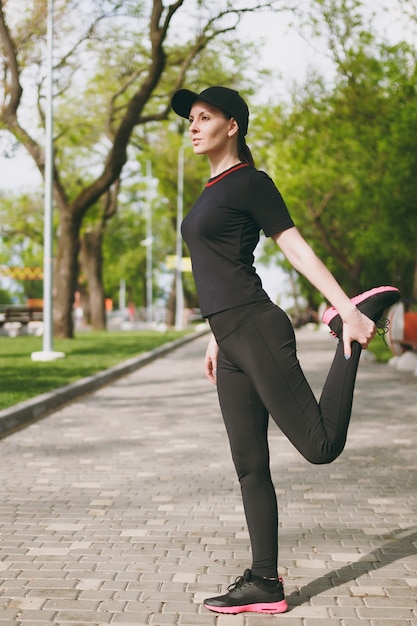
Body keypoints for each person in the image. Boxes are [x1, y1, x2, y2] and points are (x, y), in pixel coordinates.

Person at [170, 85, 401, 615]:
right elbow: (224, 265)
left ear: (233, 125)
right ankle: (264, 582)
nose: (194, 125)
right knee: (250, 464)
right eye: (191, 119)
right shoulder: (210, 190)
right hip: (230, 337)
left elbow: (293, 246)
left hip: (255, 327)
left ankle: (350, 335)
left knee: (320, 447)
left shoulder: (252, 183)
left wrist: (346, 308)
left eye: (205, 117)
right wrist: (213, 334)